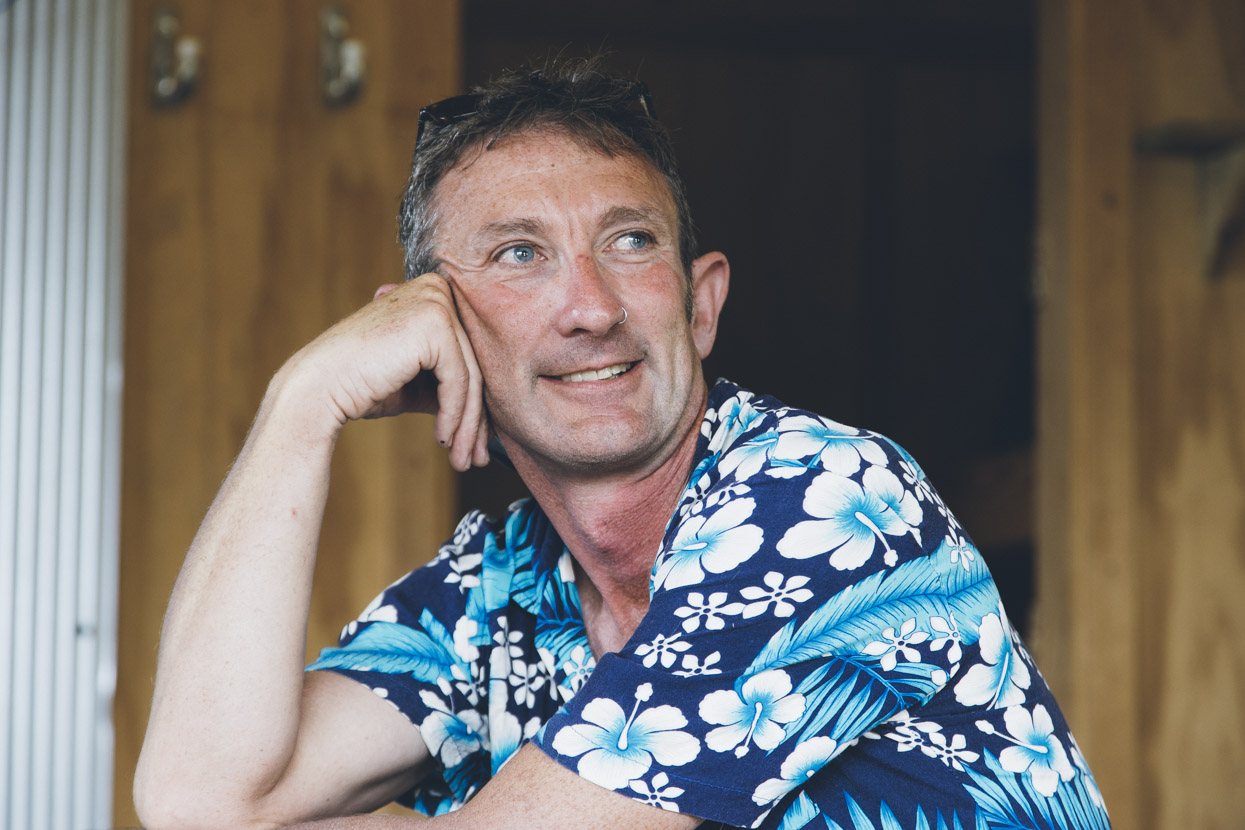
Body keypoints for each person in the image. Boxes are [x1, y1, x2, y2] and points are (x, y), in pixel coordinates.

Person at [133, 59, 1111, 830]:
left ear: (702, 303)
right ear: (429, 335)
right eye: (519, 253)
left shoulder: (825, 501)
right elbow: (194, 797)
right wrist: (301, 401)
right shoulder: (493, 584)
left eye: (631, 241)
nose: (591, 308)